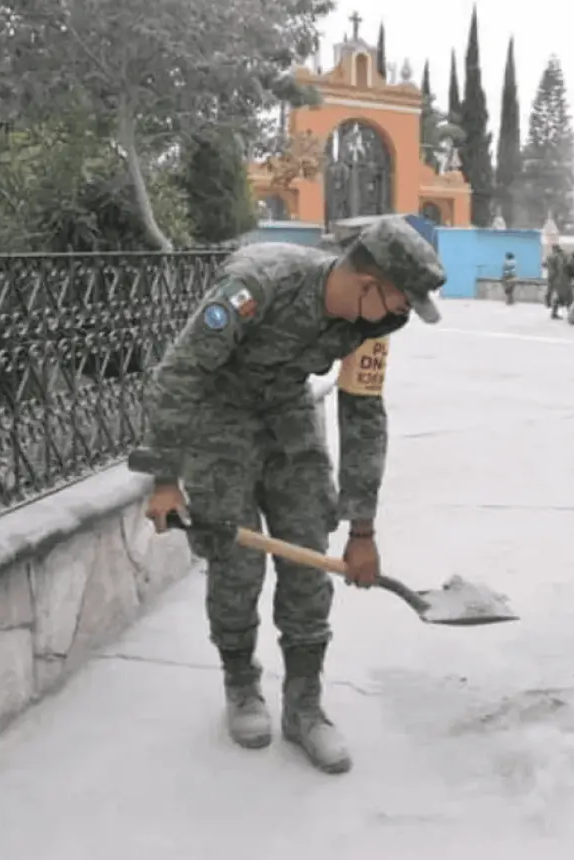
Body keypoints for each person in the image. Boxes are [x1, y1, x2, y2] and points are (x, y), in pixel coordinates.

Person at [138, 217, 444, 775]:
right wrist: (164, 478)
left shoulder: (374, 326)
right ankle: (241, 686)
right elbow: (178, 374)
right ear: (368, 282)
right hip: (219, 412)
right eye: (400, 302)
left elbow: (363, 417)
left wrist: (362, 530)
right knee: (236, 563)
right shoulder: (260, 284)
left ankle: (304, 707)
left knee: (307, 553)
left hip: (286, 409)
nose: (402, 316)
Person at [545, 243, 573, 319]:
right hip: (558, 278)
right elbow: (560, 267)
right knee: (565, 295)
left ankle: (548, 303)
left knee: (551, 291)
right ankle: (568, 311)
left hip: (550, 276)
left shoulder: (549, 256)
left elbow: (545, 265)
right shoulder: (558, 256)